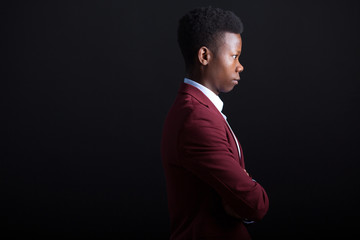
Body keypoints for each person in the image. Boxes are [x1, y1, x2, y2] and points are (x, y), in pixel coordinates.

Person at [161, 6, 269, 240]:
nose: (240, 66)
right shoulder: (196, 118)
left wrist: (238, 198)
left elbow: (241, 199)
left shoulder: (200, 110)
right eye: (234, 56)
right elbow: (255, 203)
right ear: (204, 56)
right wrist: (243, 197)